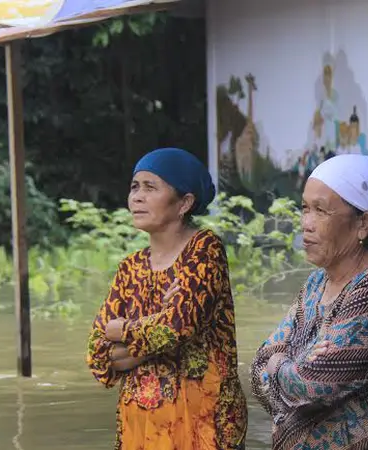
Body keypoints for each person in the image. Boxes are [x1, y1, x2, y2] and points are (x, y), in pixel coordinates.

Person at [85, 148, 248, 450]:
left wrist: (122, 331)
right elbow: (97, 355)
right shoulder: (130, 268)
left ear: (184, 203)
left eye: (150, 187)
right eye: (135, 187)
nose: (137, 196)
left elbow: (176, 328)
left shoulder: (204, 249)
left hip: (204, 423)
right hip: (140, 430)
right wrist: (157, 324)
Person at [251, 154, 368, 449]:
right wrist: (293, 363)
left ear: (364, 223)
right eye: (304, 208)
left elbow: (315, 386)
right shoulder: (315, 284)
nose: (306, 224)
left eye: (321, 211)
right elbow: (256, 371)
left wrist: (279, 363)